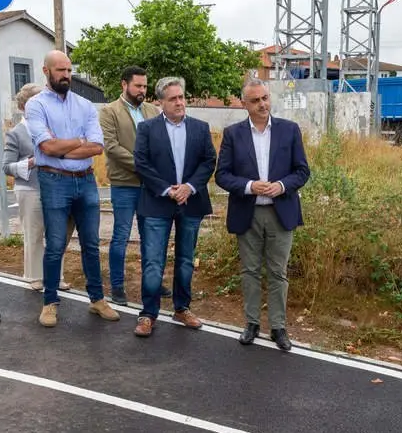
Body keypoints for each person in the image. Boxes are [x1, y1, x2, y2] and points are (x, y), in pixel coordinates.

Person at [25, 50, 119, 327]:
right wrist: (77, 142)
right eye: (60, 70)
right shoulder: (35, 105)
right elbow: (46, 146)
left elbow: (97, 147)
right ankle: (50, 303)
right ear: (46, 71)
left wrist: (63, 150)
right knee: (55, 245)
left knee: (91, 243)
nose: (66, 75)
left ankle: (97, 300)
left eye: (68, 70)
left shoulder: (86, 105)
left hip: (86, 180)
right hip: (53, 181)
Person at [215, 79, 310, 351]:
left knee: (278, 272)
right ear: (244, 104)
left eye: (265, 98)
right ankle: (252, 323)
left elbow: (302, 171)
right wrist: (248, 186)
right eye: (255, 100)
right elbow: (222, 175)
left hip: (281, 212)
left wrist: (281, 186)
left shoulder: (289, 130)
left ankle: (279, 327)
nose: (262, 104)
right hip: (249, 212)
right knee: (250, 270)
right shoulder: (233, 134)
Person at [131, 76, 216, 338]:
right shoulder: (147, 129)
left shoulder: (200, 128)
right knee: (154, 262)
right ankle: (148, 313)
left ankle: (182, 308)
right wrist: (169, 190)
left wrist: (189, 187)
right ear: (160, 102)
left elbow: (208, 161)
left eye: (181, 97)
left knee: (185, 261)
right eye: (173, 99)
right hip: (157, 202)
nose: (179, 102)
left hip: (190, 202)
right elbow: (141, 164)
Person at [97, 65, 161, 306]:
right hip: (125, 184)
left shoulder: (153, 111)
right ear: (124, 84)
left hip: (150, 186)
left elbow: (160, 143)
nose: (142, 90)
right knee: (121, 235)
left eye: (145, 86)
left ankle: (152, 282)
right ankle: (117, 286)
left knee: (151, 237)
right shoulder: (109, 112)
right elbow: (111, 147)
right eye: (138, 86)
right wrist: (143, 166)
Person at [1, 82, 71, 292]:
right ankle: (34, 276)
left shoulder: (56, 127)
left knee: (57, 234)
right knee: (34, 233)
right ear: (24, 106)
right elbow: (6, 167)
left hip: (58, 187)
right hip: (30, 189)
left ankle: (56, 276)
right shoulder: (16, 133)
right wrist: (30, 162)